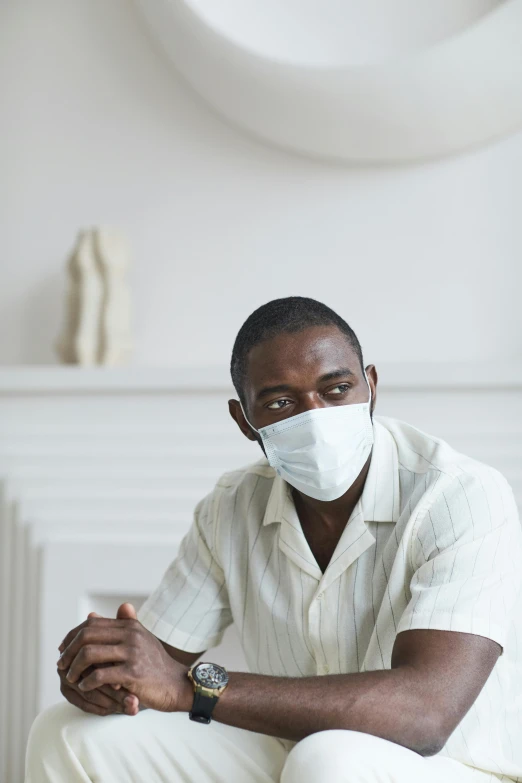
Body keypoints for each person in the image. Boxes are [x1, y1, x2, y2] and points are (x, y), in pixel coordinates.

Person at [26, 297, 522, 783]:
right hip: (293, 753)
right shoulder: (231, 506)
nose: (316, 417)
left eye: (337, 389)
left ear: (370, 385)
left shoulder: (459, 495)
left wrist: (192, 689)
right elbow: (153, 669)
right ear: (245, 421)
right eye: (282, 402)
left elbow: (426, 714)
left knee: (330, 758)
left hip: (451, 767)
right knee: (69, 734)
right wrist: (105, 672)